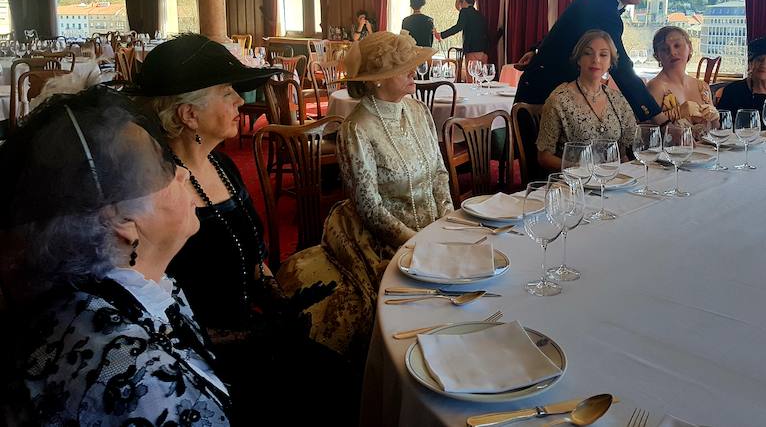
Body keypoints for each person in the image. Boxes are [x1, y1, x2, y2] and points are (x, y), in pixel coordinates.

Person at [131, 33, 344, 423]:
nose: (240, 103)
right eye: (227, 93)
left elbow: (254, 259)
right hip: (204, 359)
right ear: (188, 115)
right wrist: (256, 337)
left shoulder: (224, 167)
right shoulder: (161, 194)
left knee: (344, 377)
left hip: (256, 331)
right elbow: (162, 316)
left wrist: (282, 305)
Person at [0, 86, 232, 424]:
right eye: (162, 166)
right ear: (121, 221)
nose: (182, 172)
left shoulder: (117, 288)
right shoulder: (142, 382)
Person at [276, 31, 452, 358]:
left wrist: (446, 225)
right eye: (405, 68)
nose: (416, 71)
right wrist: (416, 242)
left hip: (432, 228)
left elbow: (440, 174)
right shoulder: (357, 128)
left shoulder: (418, 112)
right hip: (383, 240)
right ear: (377, 80)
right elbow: (369, 207)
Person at [515, 0, 666, 124]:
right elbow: (621, 66)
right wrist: (658, 117)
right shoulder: (601, 6)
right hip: (542, 96)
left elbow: (564, 28)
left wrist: (536, 49)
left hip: (556, 91)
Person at [536, 30, 638, 170]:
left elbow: (631, 143)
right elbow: (544, 157)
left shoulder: (617, 99)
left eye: (603, 55)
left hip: (613, 180)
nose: (595, 60)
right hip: (575, 183)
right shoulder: (559, 100)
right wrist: (581, 170)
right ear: (578, 59)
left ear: (610, 62)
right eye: (588, 53)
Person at [646, 26, 718, 133]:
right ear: (657, 55)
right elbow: (647, 130)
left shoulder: (702, 86)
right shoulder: (655, 87)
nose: (672, 52)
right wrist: (677, 113)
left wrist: (715, 117)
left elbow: (715, 129)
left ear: (689, 47)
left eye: (677, 45)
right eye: (664, 49)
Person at [435, 0, 490, 78]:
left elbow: (458, 27)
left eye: (460, 4)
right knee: (482, 80)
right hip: (484, 51)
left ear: (463, 1)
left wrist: (442, 35)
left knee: (471, 80)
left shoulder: (464, 12)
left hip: (472, 50)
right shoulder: (480, 14)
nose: (460, 7)